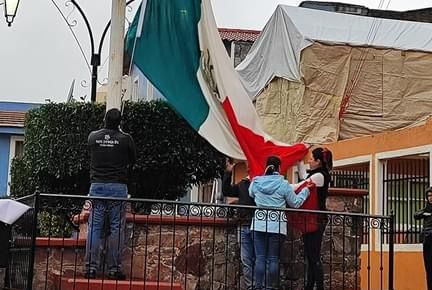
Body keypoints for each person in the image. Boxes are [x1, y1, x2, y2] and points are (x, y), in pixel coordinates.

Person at [85, 108, 136, 280]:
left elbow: (90, 153)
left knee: (95, 226)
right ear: (119, 122)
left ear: (104, 119)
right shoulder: (126, 139)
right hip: (118, 187)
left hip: (97, 186)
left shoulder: (93, 137)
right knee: (116, 227)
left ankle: (91, 267)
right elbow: (132, 160)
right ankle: (114, 269)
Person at [249, 155, 310, 290]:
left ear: (267, 166)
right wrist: (306, 190)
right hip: (276, 225)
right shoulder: (283, 184)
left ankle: (258, 286)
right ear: (279, 168)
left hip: (258, 223)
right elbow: (295, 203)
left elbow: (251, 194)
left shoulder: (256, 182)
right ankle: (272, 287)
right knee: (273, 258)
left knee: (259, 258)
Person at [297, 147, 333, 290]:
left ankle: (318, 286)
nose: (309, 161)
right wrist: (298, 159)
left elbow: (300, 185)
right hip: (312, 218)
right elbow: (302, 179)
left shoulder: (319, 176)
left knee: (314, 255)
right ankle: (310, 285)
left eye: (311, 159)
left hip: (317, 218)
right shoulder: (316, 174)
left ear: (318, 161)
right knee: (311, 255)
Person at [222, 158, 255, 290]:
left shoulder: (261, 183)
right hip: (243, 224)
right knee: (246, 260)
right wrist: (228, 173)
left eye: (249, 162)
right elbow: (227, 191)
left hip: (257, 225)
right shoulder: (243, 183)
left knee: (258, 259)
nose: (247, 165)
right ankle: (250, 286)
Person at [414, 187, 432, 290]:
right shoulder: (426, 209)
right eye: (429, 196)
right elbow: (416, 215)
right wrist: (424, 213)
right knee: (428, 266)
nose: (430, 198)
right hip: (427, 239)